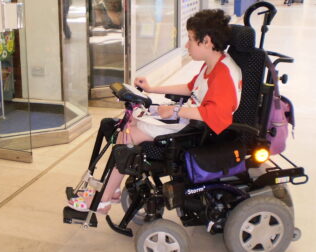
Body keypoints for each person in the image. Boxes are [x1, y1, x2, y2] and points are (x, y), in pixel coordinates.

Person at [68, 9, 242, 214]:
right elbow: (191, 88)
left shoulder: (223, 75)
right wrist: (152, 89)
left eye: (191, 39)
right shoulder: (214, 63)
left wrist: (176, 110)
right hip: (191, 122)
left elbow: (216, 115)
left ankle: (105, 197)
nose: (187, 45)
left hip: (199, 133)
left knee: (129, 134)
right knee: (128, 125)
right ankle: (110, 191)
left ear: (207, 41)